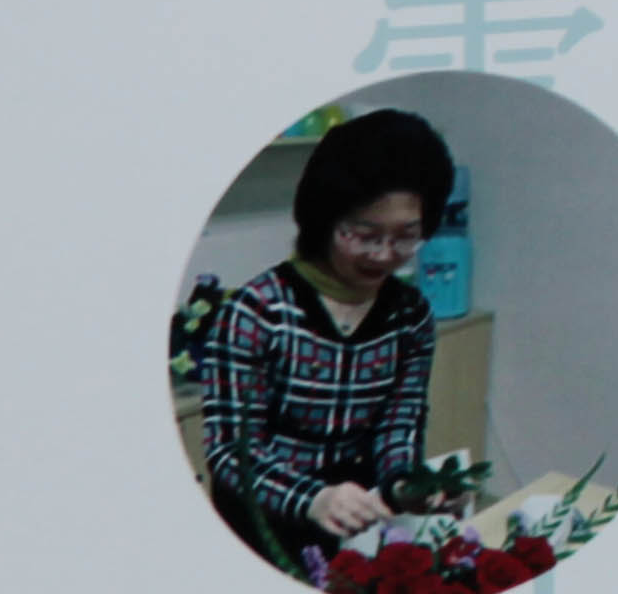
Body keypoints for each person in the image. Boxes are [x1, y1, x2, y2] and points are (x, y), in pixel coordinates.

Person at [190, 104, 453, 571]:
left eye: (405, 237)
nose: (384, 254)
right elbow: (230, 451)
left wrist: (404, 484)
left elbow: (400, 422)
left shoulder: (410, 316)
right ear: (325, 218)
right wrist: (312, 498)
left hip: (359, 522)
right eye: (363, 234)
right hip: (264, 526)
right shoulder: (258, 312)